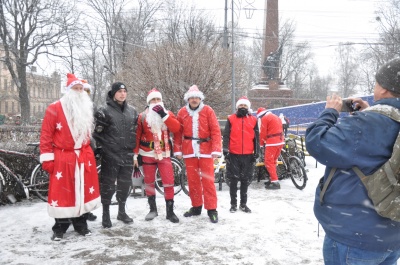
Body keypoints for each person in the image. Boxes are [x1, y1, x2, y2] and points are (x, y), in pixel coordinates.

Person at [305, 58, 400, 265]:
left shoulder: (368, 123)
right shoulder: (384, 119)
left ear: (384, 89)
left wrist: (330, 112)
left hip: (355, 236)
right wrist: (369, 113)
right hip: (391, 235)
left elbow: (317, 142)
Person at [40, 73, 101, 241]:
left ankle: (81, 224)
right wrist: (47, 159)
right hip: (63, 157)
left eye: (81, 88)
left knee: (81, 191)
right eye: (76, 88)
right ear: (68, 90)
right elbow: (46, 135)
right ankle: (60, 227)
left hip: (83, 156)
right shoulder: (54, 109)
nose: (79, 91)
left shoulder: (86, 109)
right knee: (63, 193)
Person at [93, 82, 138, 228]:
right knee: (108, 186)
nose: (122, 94)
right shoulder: (103, 111)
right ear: (113, 93)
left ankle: (121, 212)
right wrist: (102, 149)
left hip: (127, 154)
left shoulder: (132, 111)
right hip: (110, 155)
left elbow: (135, 132)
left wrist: (135, 153)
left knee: (124, 185)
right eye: (119, 91)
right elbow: (97, 135)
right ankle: (105, 214)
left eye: (125, 91)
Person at [174, 85, 221, 223]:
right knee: (193, 181)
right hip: (189, 151)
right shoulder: (182, 112)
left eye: (196, 97)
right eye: (191, 98)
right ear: (188, 99)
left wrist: (216, 149)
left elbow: (215, 130)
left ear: (200, 98)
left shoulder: (208, 111)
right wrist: (177, 149)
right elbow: (178, 133)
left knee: (208, 181)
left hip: (206, 150)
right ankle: (196, 206)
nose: (194, 100)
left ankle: (212, 209)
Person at [133, 88, 180, 223]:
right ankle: (152, 209)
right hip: (147, 153)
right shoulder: (142, 116)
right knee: (149, 182)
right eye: (153, 100)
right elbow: (137, 137)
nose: (156, 102)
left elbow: (176, 129)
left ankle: (170, 212)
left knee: (168, 181)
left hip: (164, 153)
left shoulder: (168, 113)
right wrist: (135, 155)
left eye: (158, 99)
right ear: (149, 102)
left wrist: (164, 115)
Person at [223, 96, 259, 213]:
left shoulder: (253, 120)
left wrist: (257, 152)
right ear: (237, 106)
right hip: (234, 154)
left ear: (248, 107)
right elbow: (226, 135)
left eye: (245, 105)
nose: (242, 107)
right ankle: (233, 204)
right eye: (241, 105)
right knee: (233, 180)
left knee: (245, 180)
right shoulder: (231, 119)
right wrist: (225, 149)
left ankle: (243, 204)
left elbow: (256, 138)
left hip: (248, 155)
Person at [257, 107, 284, 190]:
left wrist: (261, 144)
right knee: (273, 161)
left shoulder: (265, 118)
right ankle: (272, 179)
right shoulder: (275, 116)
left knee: (268, 162)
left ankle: (275, 182)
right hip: (281, 141)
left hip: (272, 142)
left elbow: (263, 132)